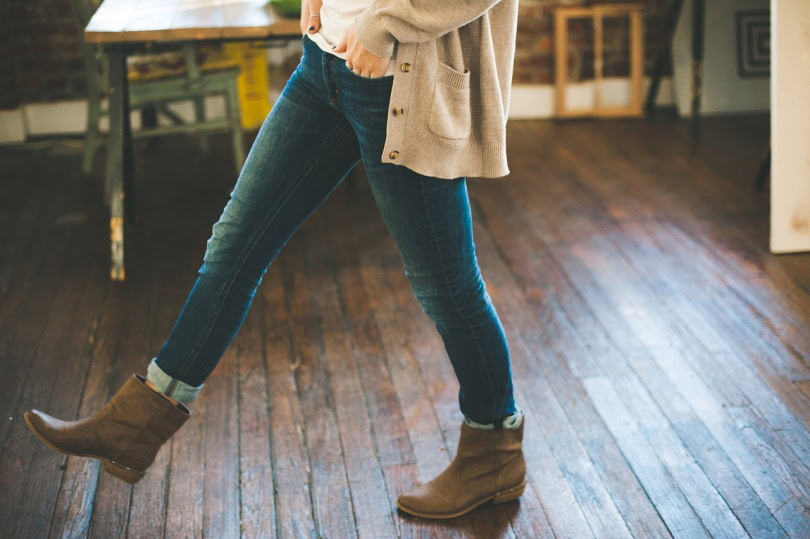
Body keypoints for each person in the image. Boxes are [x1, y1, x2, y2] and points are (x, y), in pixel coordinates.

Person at [24, 0, 526, 520]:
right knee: (234, 247)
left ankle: (494, 451)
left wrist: (384, 25)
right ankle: (137, 422)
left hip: (397, 78)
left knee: (447, 288)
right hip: (322, 66)